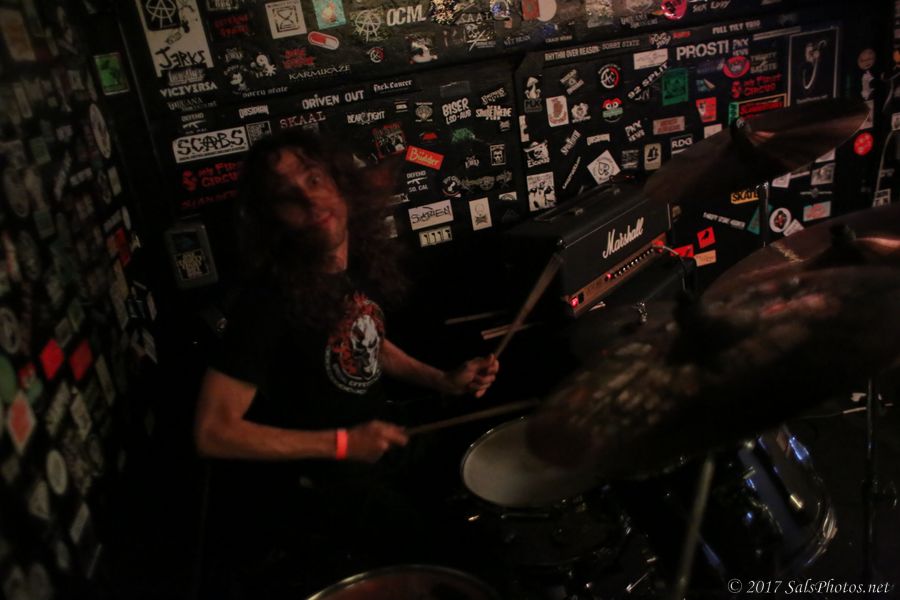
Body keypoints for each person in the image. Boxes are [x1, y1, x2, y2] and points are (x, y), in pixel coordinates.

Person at [194, 128, 499, 595]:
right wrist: (341, 444)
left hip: (381, 441)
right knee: (450, 562)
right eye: (287, 197)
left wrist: (443, 380)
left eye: (314, 179)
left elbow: (368, 340)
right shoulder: (266, 301)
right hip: (326, 480)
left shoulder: (349, 264)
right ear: (274, 219)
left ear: (340, 183)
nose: (309, 200)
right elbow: (212, 431)